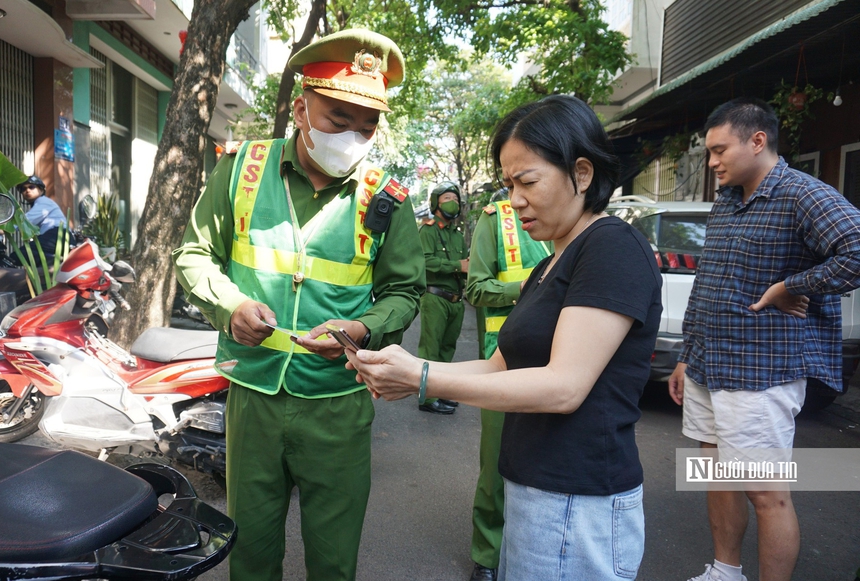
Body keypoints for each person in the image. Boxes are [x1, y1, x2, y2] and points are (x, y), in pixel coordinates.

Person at [346, 95, 662, 580]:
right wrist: (410, 373)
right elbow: (501, 366)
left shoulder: (611, 247)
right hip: (536, 489)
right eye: (508, 183)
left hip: (578, 501)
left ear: (582, 173)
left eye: (528, 181)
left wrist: (424, 374)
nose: (513, 200)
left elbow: (563, 386)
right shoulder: (550, 262)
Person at [172, 29, 425, 581]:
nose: (355, 136)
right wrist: (229, 305)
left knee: (334, 558)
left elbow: (405, 293)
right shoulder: (241, 169)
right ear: (300, 106)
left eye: (368, 125)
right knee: (251, 551)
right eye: (339, 118)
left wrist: (362, 326)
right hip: (253, 394)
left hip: (337, 403)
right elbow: (193, 254)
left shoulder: (386, 199)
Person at [668, 97, 860, 581]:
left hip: (762, 371)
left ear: (758, 141)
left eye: (718, 150)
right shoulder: (728, 200)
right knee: (715, 476)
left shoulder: (803, 195)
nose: (712, 163)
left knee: (766, 492)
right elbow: (707, 281)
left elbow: (856, 251)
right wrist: (686, 355)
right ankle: (723, 572)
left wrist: (791, 287)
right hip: (709, 363)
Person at [463, 188, 551, 581]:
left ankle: (538, 547)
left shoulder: (580, 221)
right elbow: (476, 288)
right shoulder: (495, 219)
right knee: (498, 464)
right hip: (506, 362)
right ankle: (487, 554)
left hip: (563, 360)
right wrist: (526, 288)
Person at [417, 181, 469, 414]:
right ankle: (427, 399)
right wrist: (458, 265)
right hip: (435, 298)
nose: (453, 203)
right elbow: (425, 262)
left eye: (456, 199)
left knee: (447, 349)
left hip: (456, 300)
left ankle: (440, 391)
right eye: (448, 198)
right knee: (431, 349)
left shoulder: (457, 235)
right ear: (436, 203)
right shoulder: (428, 231)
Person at [20, 175, 66, 255]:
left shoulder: (43, 201)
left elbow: (26, 220)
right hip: (55, 237)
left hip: (57, 235)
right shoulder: (38, 204)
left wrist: (2, 228)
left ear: (41, 190)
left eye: (31, 187)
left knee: (18, 255)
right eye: (24, 189)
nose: (27, 190)